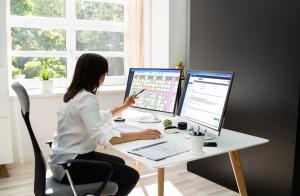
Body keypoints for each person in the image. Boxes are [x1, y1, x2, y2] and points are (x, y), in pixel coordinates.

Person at [48, 53, 161, 196]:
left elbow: (100, 117)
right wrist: (141, 134)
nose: (104, 77)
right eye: (104, 73)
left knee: (119, 162)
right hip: (70, 167)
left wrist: (124, 106)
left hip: (61, 161)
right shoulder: (87, 99)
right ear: (96, 74)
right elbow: (105, 138)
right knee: (131, 176)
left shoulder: (75, 95)